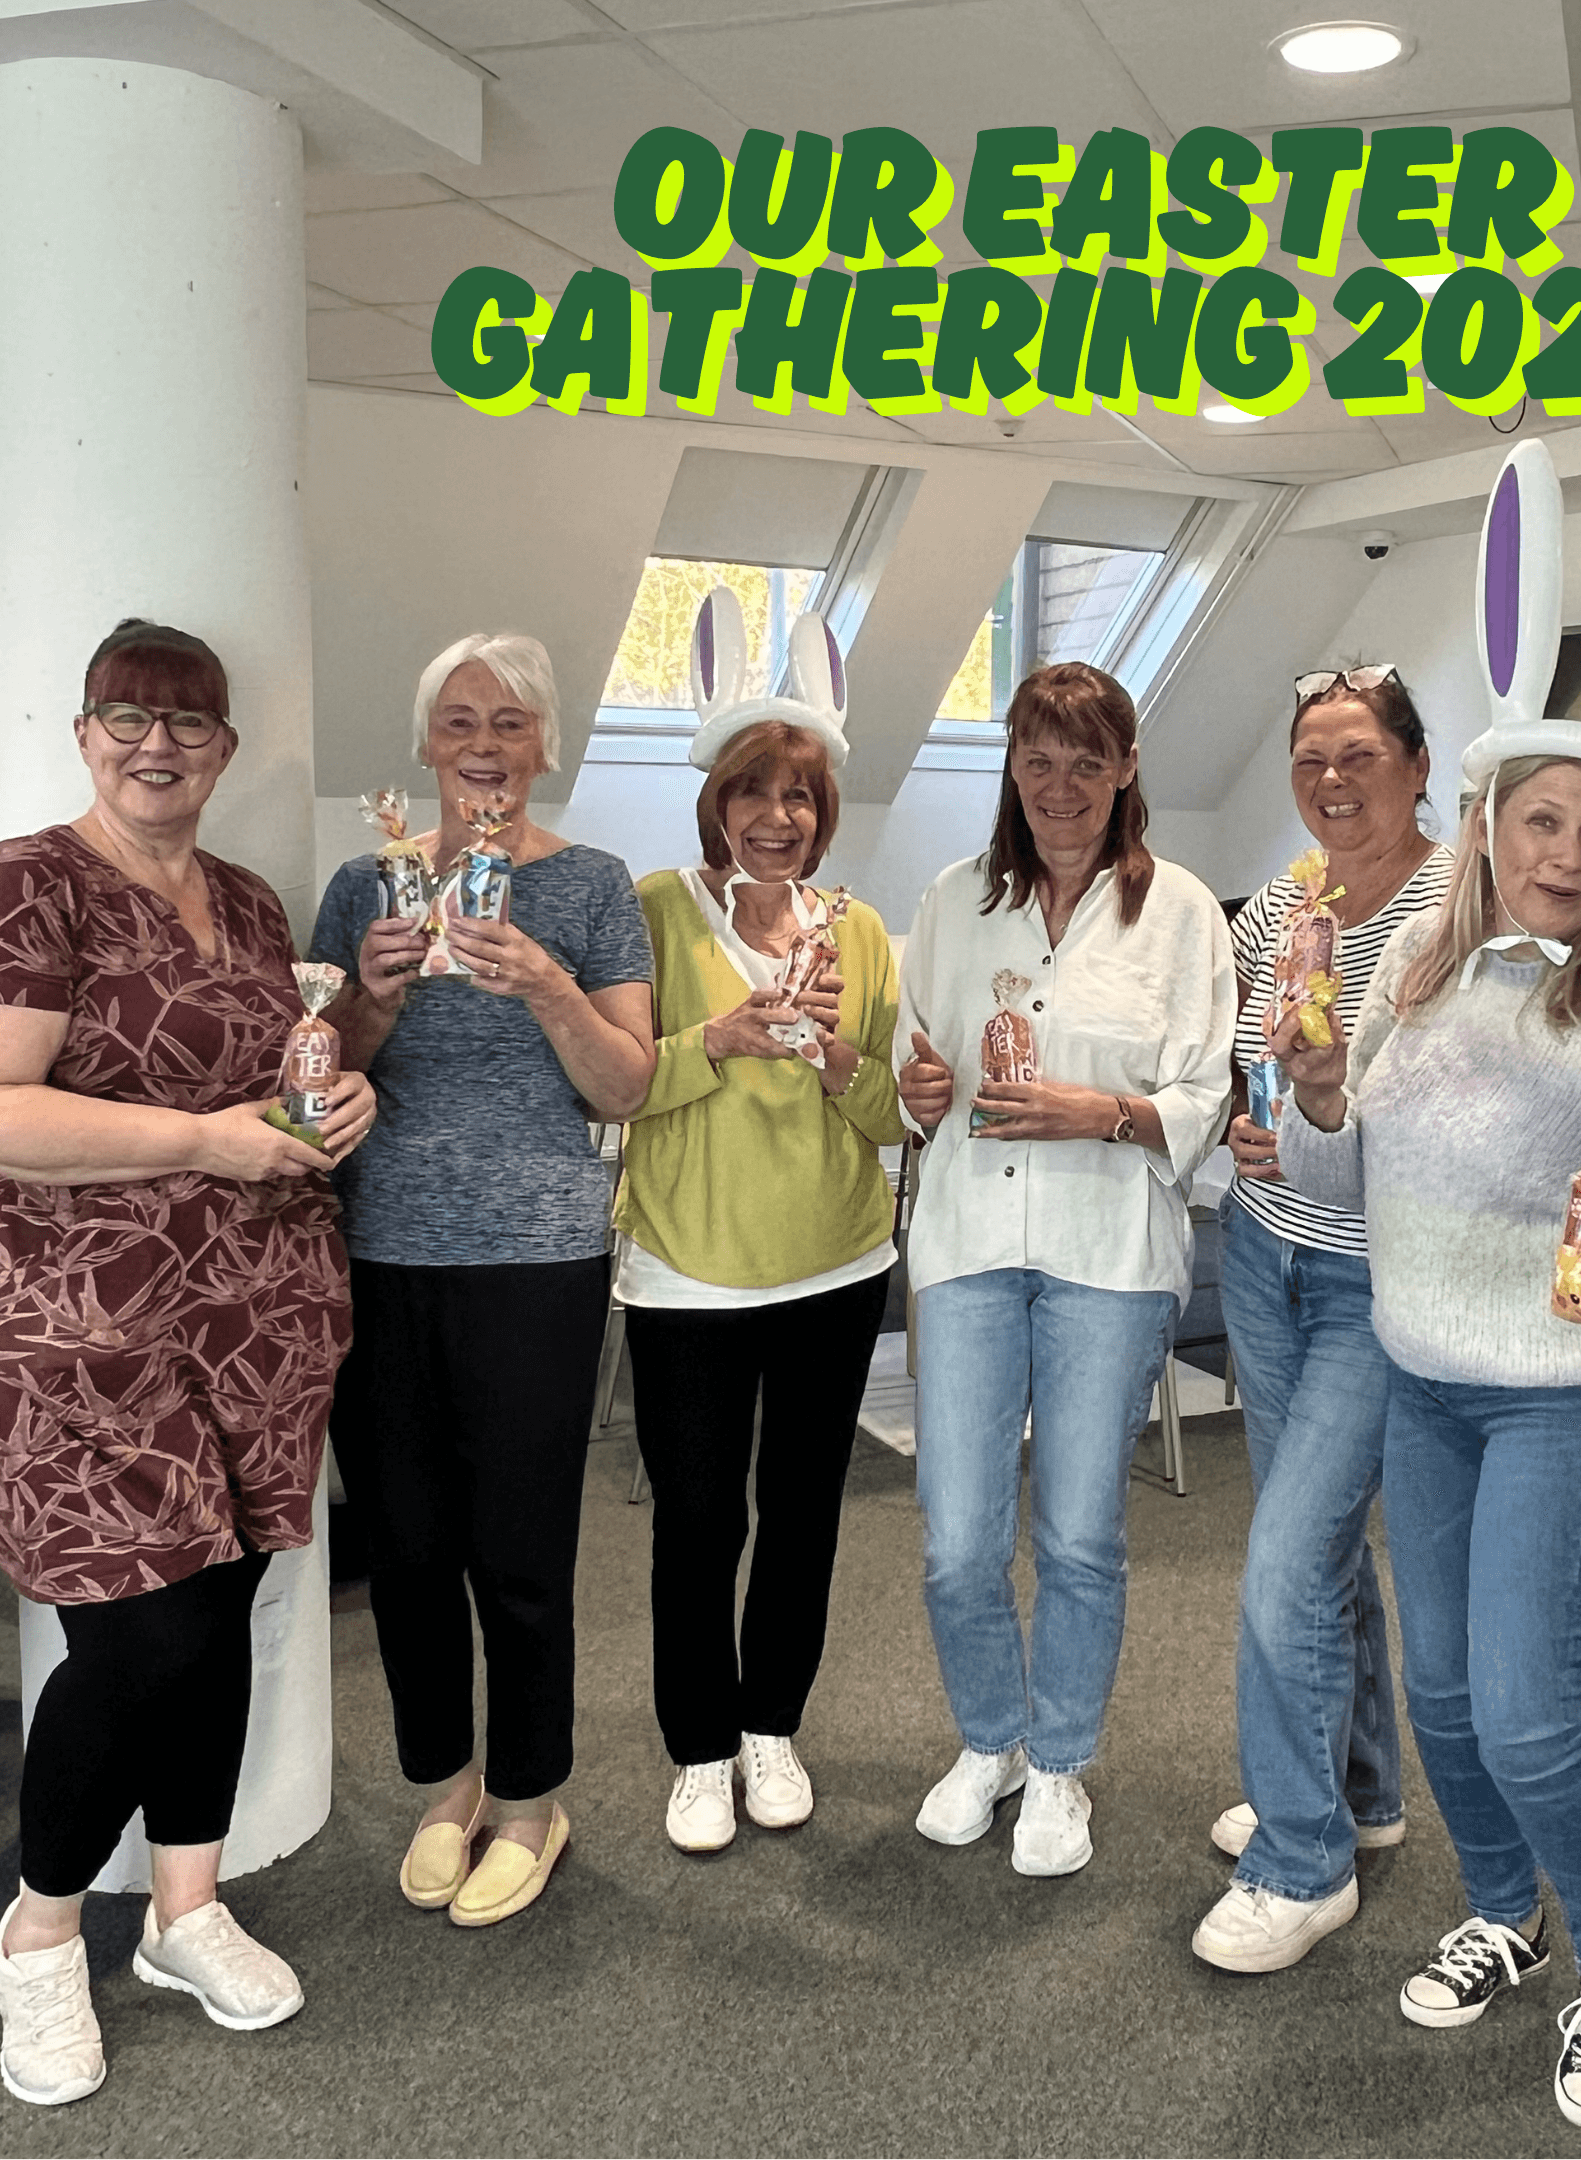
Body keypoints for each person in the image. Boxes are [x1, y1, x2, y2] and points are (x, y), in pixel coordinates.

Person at [1273, 728, 1581, 2133]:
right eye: (1540, 824)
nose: (1566, 858)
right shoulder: (1422, 974)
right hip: (1425, 1376)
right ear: (1485, 828)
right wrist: (1317, 1089)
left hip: (1568, 1393)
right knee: (1446, 1697)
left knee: (1527, 1712)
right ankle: (1498, 1912)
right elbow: (1339, 1174)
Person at [0, 619, 375, 2108]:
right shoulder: (35, 882)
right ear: (84, 731)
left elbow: (267, 1082)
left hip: (260, 1315)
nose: (157, 745)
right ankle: (35, 1936)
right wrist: (206, 1144)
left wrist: (326, 1104)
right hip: (94, 1334)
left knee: (219, 1617)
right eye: (127, 718)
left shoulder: (244, 894)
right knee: (138, 1639)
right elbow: (7, 1114)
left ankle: (184, 1912)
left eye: (189, 725)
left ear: (224, 747)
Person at [312, 633, 654, 1929]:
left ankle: (528, 1801)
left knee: (519, 1549)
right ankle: (444, 1784)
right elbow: (316, 1067)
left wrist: (548, 983)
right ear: (426, 746)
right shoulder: (367, 886)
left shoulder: (592, 888)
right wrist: (378, 999)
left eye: (510, 722)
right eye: (459, 720)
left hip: (537, 1255)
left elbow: (626, 1082)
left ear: (546, 746)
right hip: (380, 1249)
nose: (483, 745)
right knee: (405, 1546)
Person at [895, 661, 1236, 1878]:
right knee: (957, 1539)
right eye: (1038, 757)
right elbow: (917, 1068)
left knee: (1081, 1533)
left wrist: (1108, 1112)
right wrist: (918, 1091)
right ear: (1011, 767)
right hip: (973, 1245)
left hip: (1107, 1253)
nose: (1060, 784)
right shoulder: (952, 901)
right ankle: (990, 1740)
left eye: (1088, 759)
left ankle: (1060, 1765)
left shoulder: (1182, 913)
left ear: (1127, 769)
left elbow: (1207, 1092)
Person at [1191, 664, 1453, 1975]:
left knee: (1287, 1562)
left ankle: (1301, 1860)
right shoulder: (1281, 906)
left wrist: (1333, 1110)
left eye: (1359, 755)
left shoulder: (1456, 905)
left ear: (1415, 764)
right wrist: (1251, 1124)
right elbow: (1256, 1060)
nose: (1334, 781)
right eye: (1312, 759)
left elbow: (1463, 1105)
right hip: (1267, 1258)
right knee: (1324, 1555)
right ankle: (1359, 1791)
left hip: (1378, 1278)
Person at [613, 671, 902, 1855]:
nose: (776, 817)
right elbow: (620, 1081)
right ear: (716, 803)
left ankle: (772, 1724)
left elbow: (890, 1115)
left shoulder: (861, 930)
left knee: (802, 1512)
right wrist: (718, 1039)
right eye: (753, 793)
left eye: (799, 796)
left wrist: (834, 1056)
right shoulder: (651, 913)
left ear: (823, 814)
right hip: (689, 1268)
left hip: (835, 1262)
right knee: (694, 1519)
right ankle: (699, 1748)